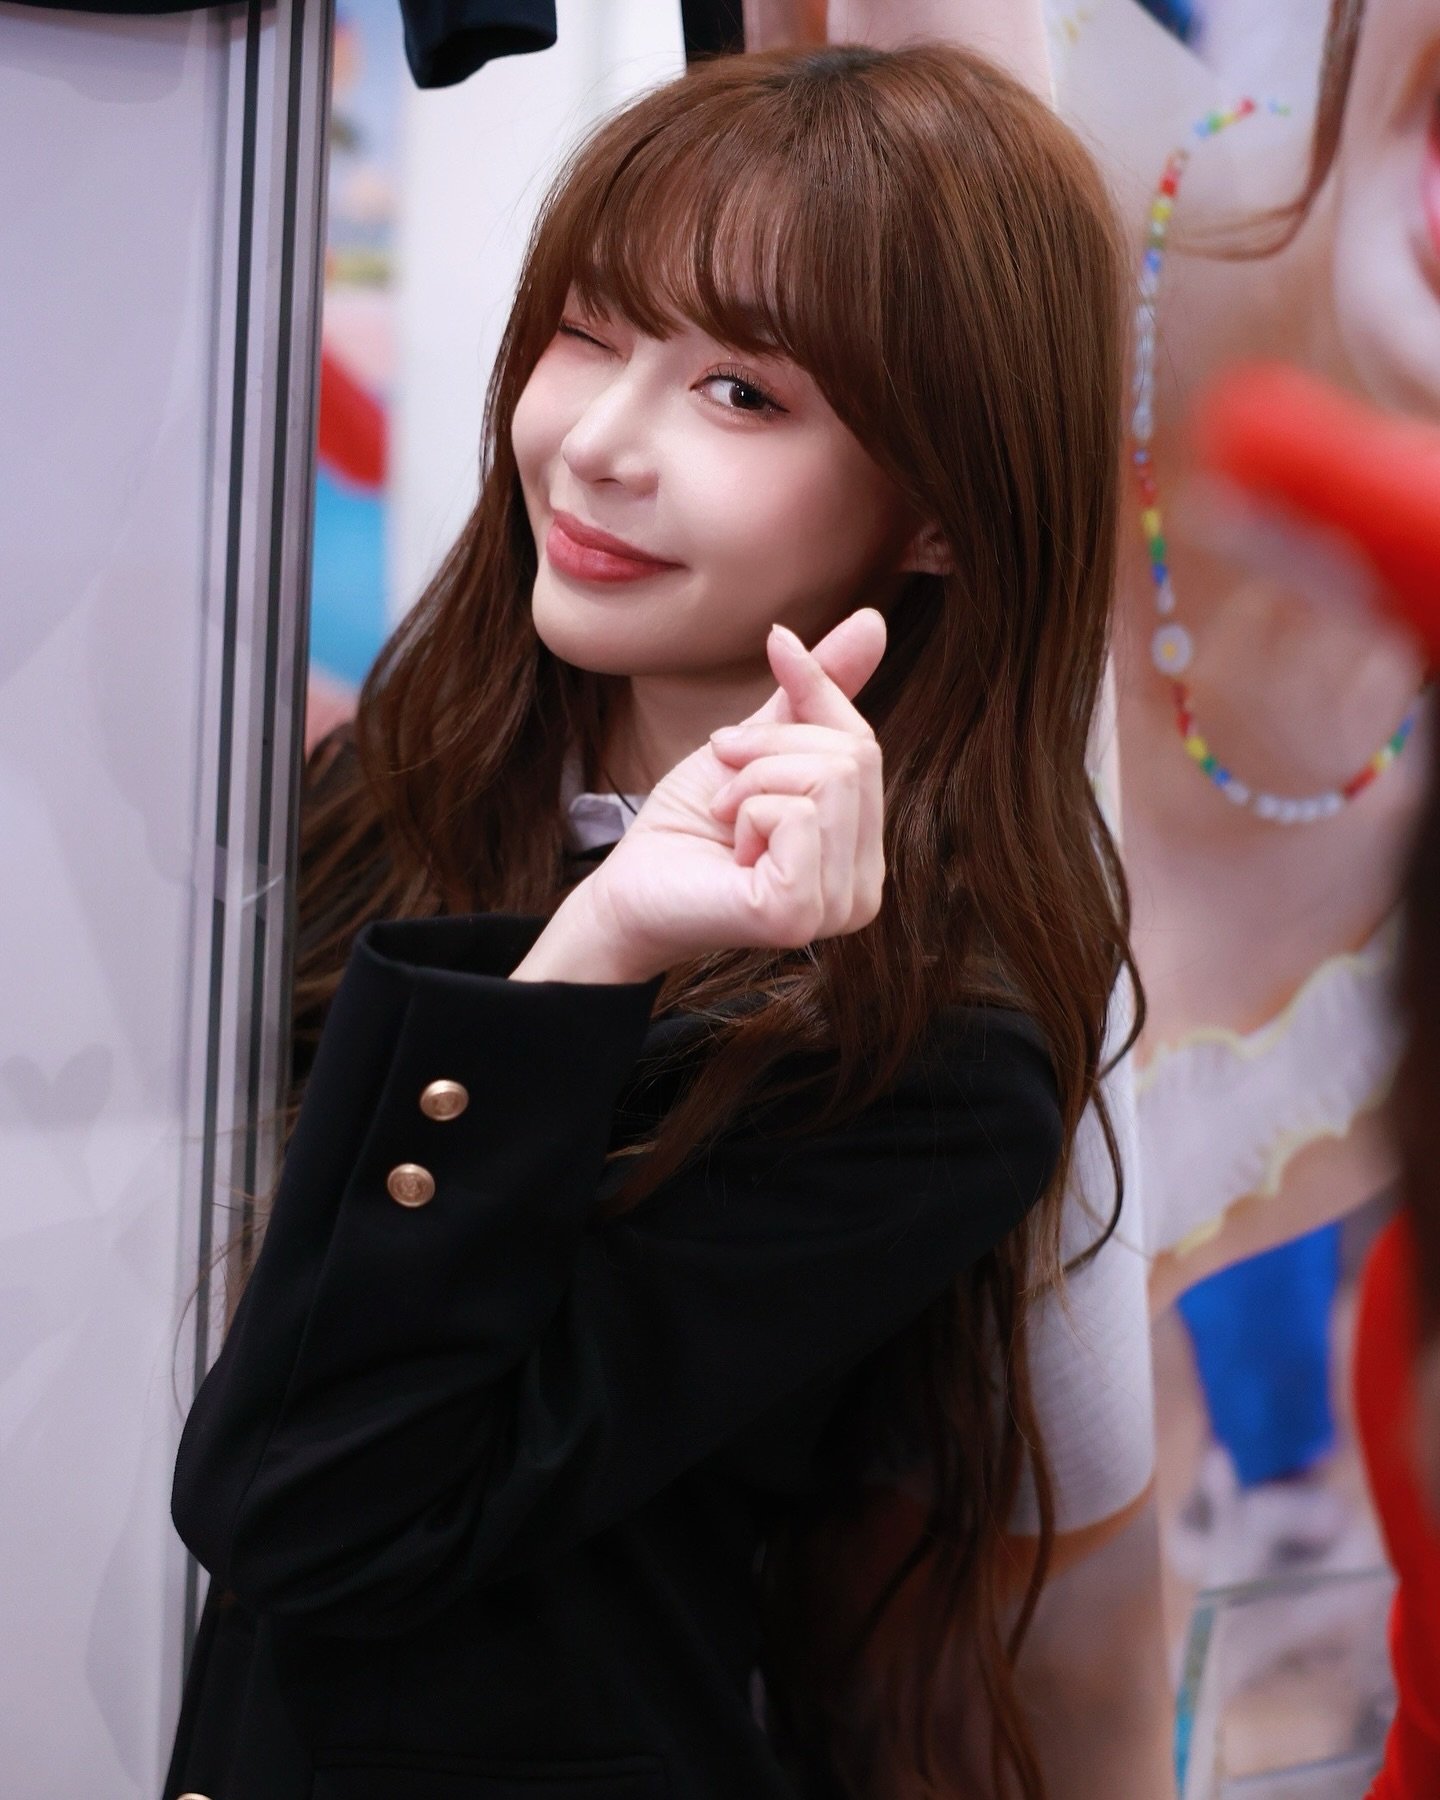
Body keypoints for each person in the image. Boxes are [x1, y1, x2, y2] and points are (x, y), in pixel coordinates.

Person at [164, 41, 1138, 1800]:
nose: (599, 445)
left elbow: (320, 1511)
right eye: (588, 333)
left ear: (939, 514)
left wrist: (596, 954)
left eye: (741, 393)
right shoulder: (402, 781)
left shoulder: (924, 1042)